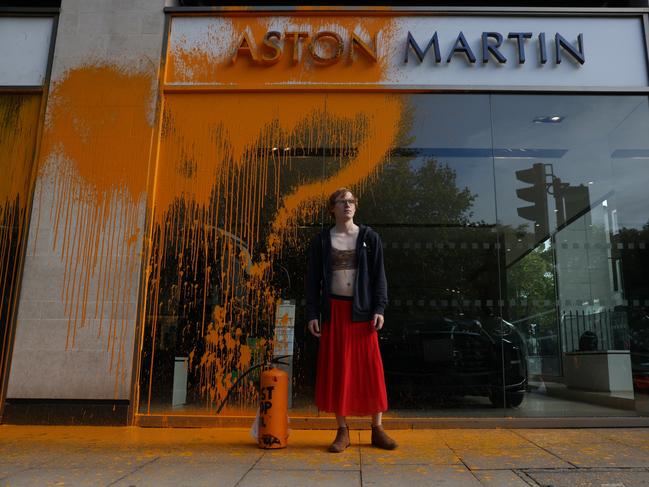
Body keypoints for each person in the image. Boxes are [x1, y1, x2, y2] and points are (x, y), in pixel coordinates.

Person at [306, 187, 397, 453]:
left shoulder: (370, 237)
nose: (347, 205)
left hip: (363, 312)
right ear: (331, 208)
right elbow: (312, 281)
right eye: (341, 201)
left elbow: (379, 276)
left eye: (351, 201)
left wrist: (380, 307)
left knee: (370, 369)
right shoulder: (322, 240)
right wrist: (312, 313)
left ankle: (377, 429)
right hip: (334, 311)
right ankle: (342, 431)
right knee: (338, 370)